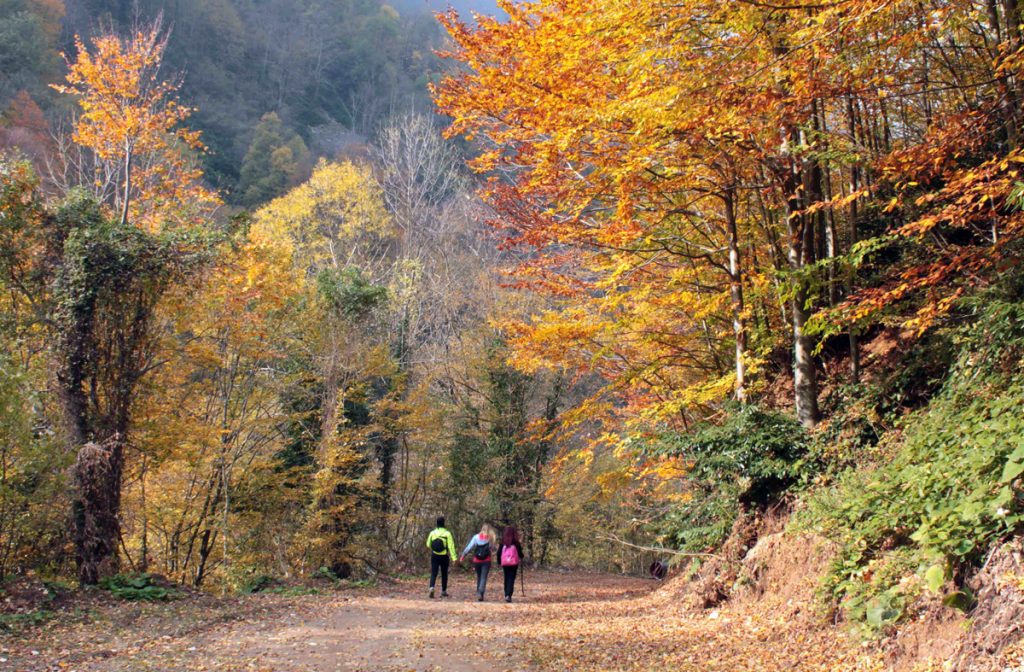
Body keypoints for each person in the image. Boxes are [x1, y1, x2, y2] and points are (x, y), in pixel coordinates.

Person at [460, 523, 497, 601]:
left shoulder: (476, 537)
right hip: (486, 560)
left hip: (477, 560)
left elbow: (469, 547)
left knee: (479, 576)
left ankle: (479, 593)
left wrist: (463, 555)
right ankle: (480, 592)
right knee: (483, 577)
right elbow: (493, 548)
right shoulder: (490, 538)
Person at [426, 516, 456, 599]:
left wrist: (434, 547)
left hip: (434, 555)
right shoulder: (447, 533)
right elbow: (451, 546)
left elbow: (428, 544)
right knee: (444, 573)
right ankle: (443, 591)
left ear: (437, 523)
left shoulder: (433, 533)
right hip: (444, 556)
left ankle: (431, 587)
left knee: (434, 573)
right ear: (444, 523)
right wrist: (454, 558)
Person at [497, 526, 524, 603]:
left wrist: (499, 561)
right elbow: (520, 553)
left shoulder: (503, 542)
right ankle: (509, 595)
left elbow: (499, 553)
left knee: (506, 577)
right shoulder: (516, 542)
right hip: (513, 563)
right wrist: (522, 556)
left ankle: (506, 594)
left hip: (505, 563)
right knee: (511, 578)